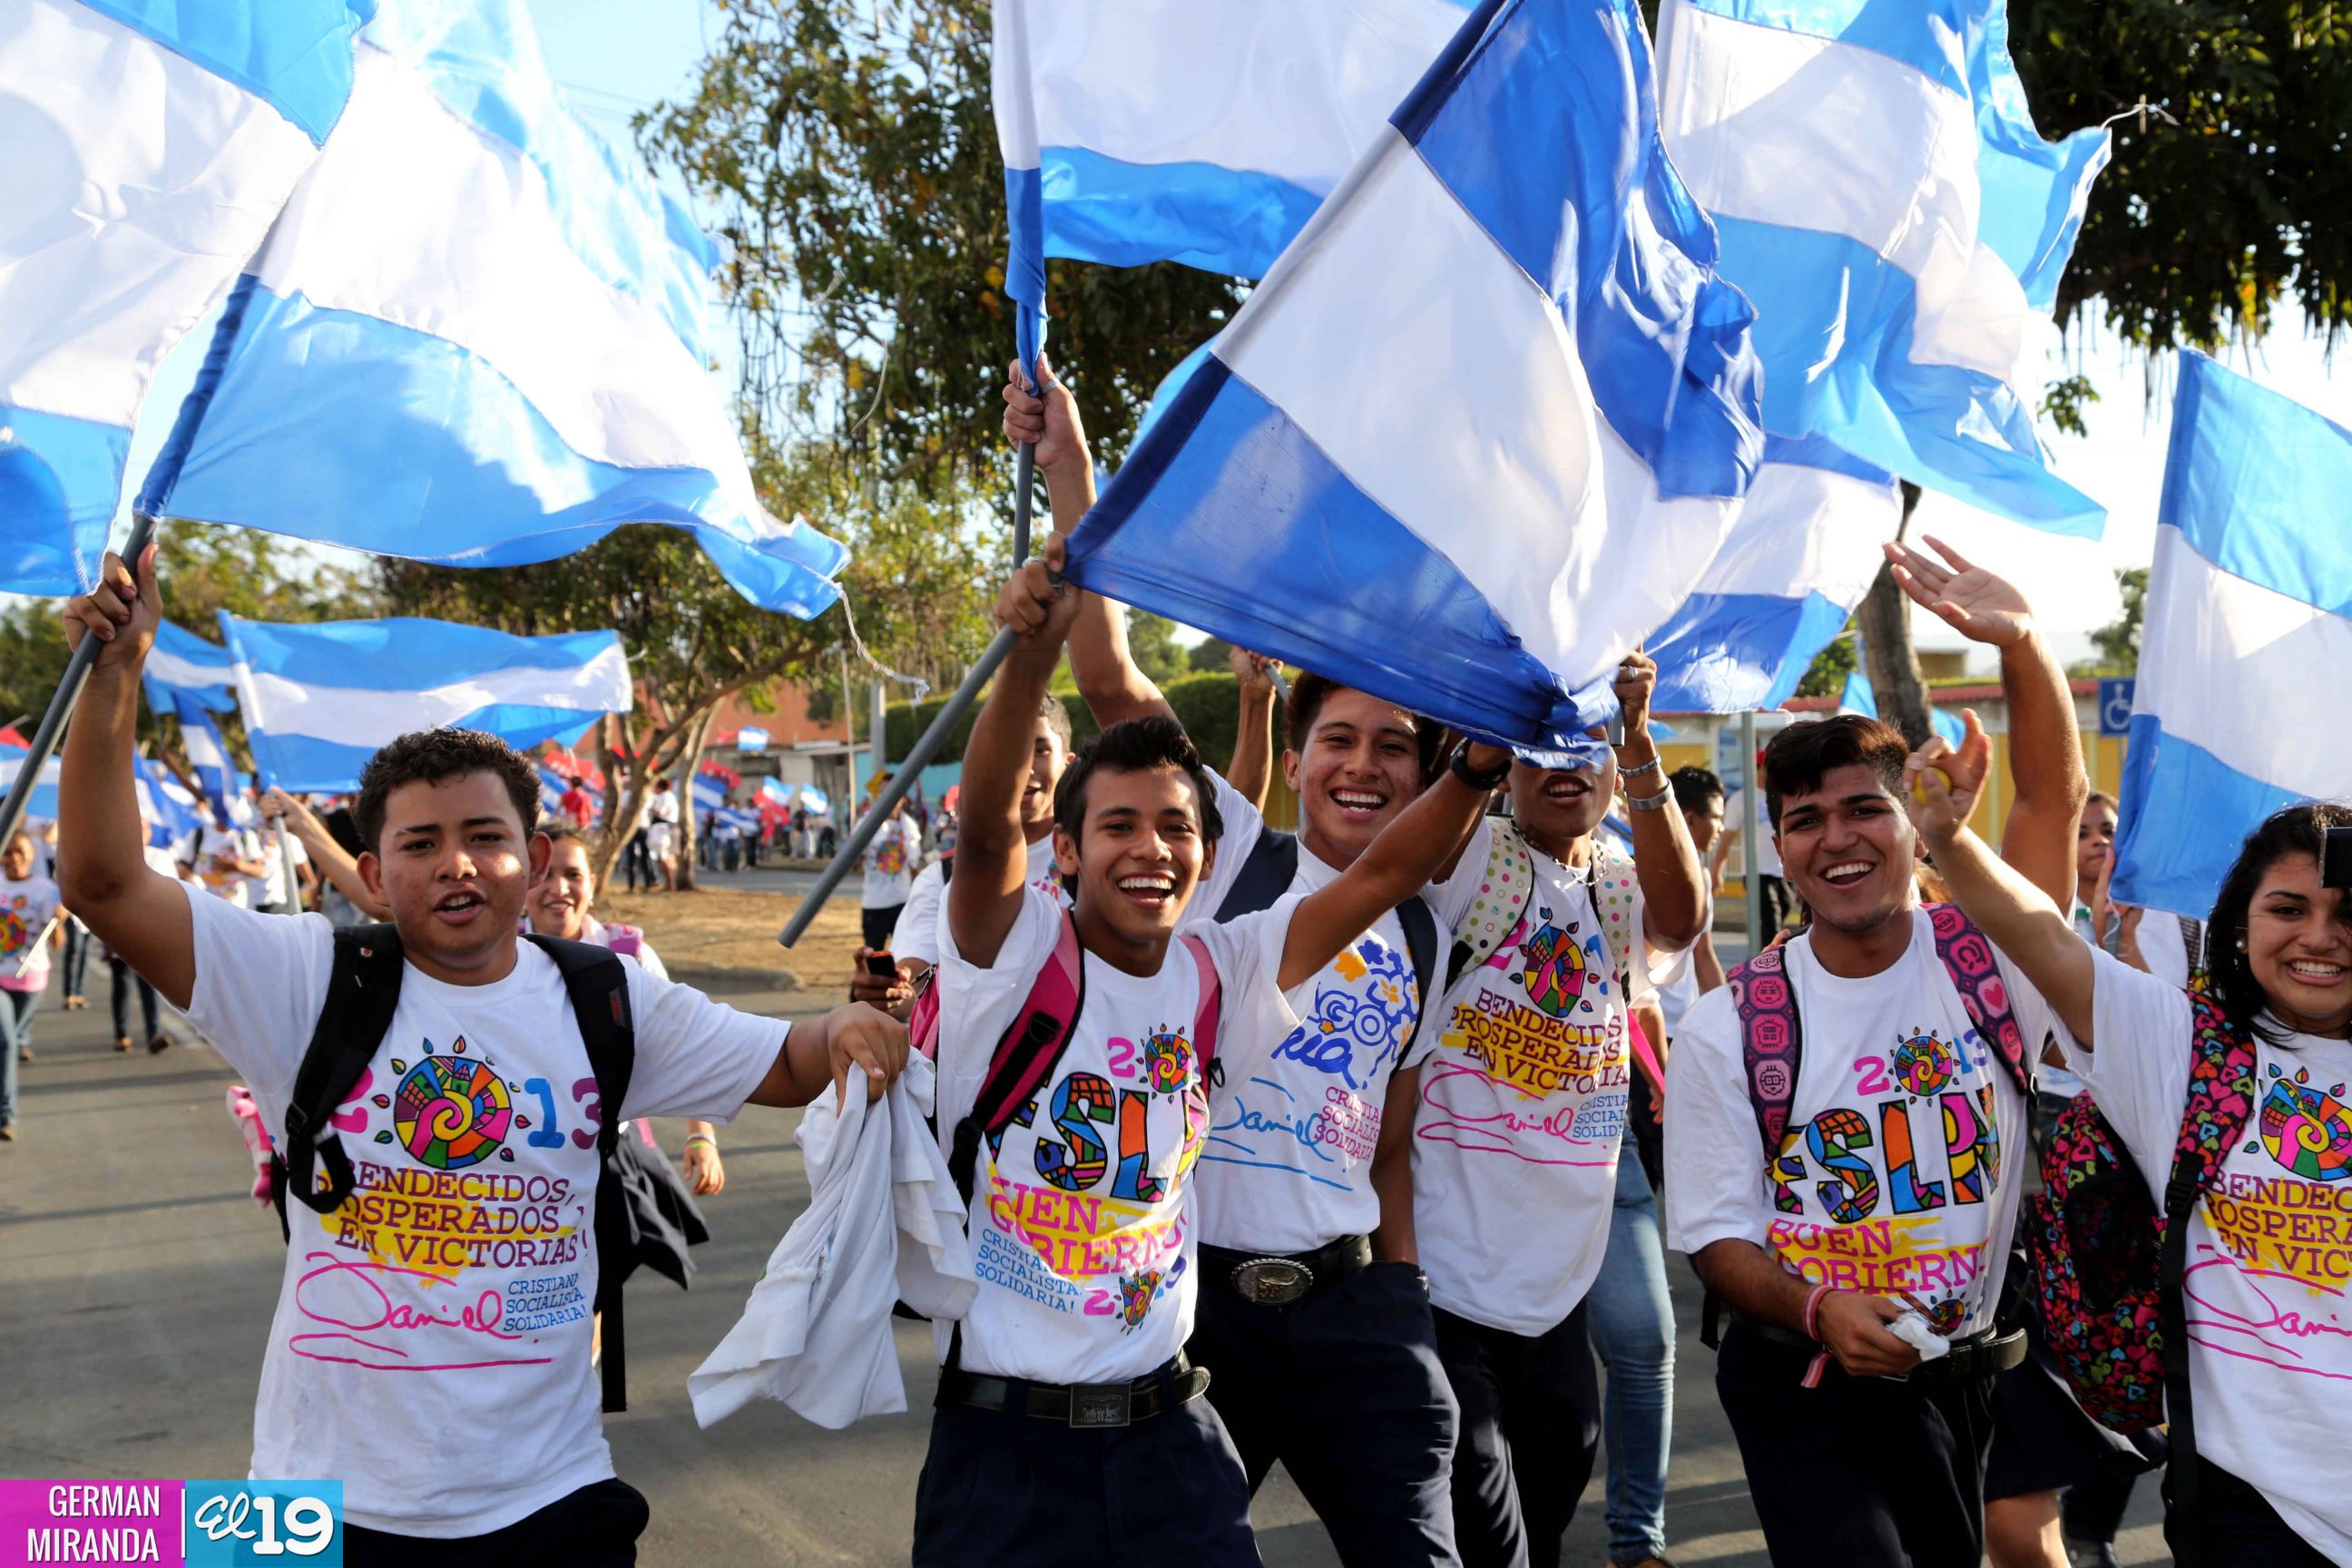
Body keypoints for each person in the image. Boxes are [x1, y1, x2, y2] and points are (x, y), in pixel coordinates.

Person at [54, 544, 906, 1562]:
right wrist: (113, 681)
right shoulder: (303, 977)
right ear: (372, 873)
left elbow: (788, 1059)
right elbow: (103, 886)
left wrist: (844, 1029)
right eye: (419, 844)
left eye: (483, 837)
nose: (456, 862)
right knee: (63, 1541)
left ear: (534, 859)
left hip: (551, 1501)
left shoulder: (606, 997)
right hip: (318, 1512)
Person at [920, 539, 1513, 1565]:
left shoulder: (1218, 974)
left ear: (1211, 847)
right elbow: (983, 838)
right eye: (1118, 827)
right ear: (1065, 850)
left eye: (1177, 828)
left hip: (1170, 1434)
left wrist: (1475, 769)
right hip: (1005, 1445)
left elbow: (1375, 884)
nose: (1152, 848)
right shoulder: (1010, 966)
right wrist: (1029, 655)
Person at [1013, 358, 1476, 1565]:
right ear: (1301, 752)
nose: (1360, 767)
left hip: (1357, 1313)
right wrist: (1070, 468)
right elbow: (1112, 680)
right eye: (1336, 741)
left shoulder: (1423, 930)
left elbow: (1390, 1138)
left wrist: (1404, 1301)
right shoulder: (1222, 857)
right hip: (1197, 1315)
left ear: (1425, 780)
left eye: (1391, 748)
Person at [1664, 537, 2087, 1568]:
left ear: (1918, 825)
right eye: (1805, 821)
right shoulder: (1734, 1023)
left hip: (1967, 1374)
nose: (1836, 839)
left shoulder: (1995, 961)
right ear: (1778, 845)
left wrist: (2024, 644)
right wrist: (1815, 1307)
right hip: (1803, 1383)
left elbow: (2051, 807)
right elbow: (1717, 1235)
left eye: (1865, 809)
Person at [1911, 758, 2352, 1562]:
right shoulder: (2182, 1048)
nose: (2319, 937)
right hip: (2251, 1508)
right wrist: (1946, 837)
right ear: (2240, 923)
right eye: (2288, 908)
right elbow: (2041, 935)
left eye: (2348, 912)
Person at [1410, 694, 1708, 1568]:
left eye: (1588, 749)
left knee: (1566, 1457)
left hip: (1564, 1257)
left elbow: (1682, 922)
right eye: (1539, 749)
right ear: (1508, 764)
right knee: (1480, 1499)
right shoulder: (1474, 857)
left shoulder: (1617, 875)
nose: (1564, 765)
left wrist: (1642, 739)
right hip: (1448, 1259)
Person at [852, 694, 1077, 1021]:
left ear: (1067, 763)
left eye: (1040, 749)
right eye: (1008, 749)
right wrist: (890, 993)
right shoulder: (944, 878)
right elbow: (914, 979)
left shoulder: (1095, 864)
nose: (1024, 766)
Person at [1, 828, 66, 1140]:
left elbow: (56, 943)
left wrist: (58, 920)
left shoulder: (45, 889)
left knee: (10, 1040)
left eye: (20, 851)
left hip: (30, 978)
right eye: (7, 851)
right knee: (5, 1042)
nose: (13, 858)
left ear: (31, 855)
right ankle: (6, 1115)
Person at [858, 794, 918, 951]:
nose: (888, 798)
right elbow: (854, 865)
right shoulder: (865, 824)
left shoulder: (909, 826)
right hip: (874, 904)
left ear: (903, 799)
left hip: (902, 902)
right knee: (875, 959)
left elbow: (914, 866)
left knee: (905, 956)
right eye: (883, 792)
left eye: (894, 792)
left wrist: (916, 898)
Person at [644, 777, 681, 892]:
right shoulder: (671, 796)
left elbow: (659, 812)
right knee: (669, 857)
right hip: (670, 827)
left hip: (662, 828)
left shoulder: (664, 796)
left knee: (663, 857)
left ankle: (670, 884)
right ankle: (670, 884)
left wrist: (649, 807)